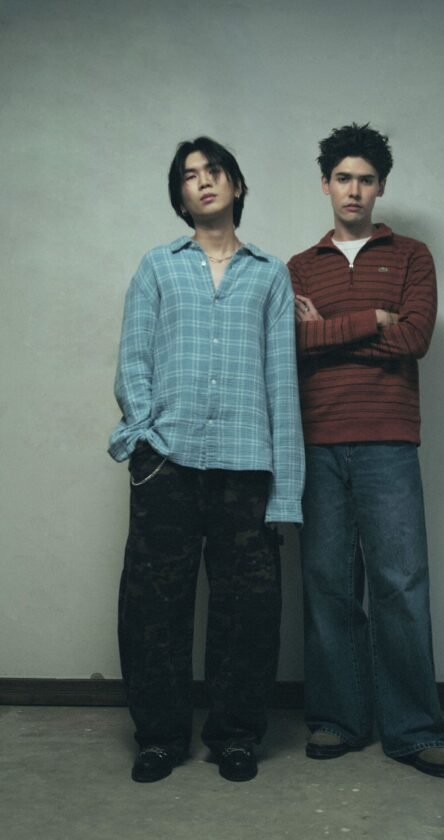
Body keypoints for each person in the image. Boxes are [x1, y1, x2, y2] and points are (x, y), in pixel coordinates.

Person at [109, 136, 304, 783]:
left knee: (248, 611)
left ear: (237, 185)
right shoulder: (157, 267)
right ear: (180, 196)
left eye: (214, 170)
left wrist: (286, 490)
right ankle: (160, 738)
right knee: (153, 607)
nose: (203, 181)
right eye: (189, 176)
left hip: (246, 467)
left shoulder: (270, 274)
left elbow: (282, 384)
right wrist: (145, 440)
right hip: (168, 463)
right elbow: (133, 360)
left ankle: (236, 737)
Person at [287, 122, 444, 779]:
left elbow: (415, 339)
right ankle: (338, 720)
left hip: (388, 439)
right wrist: (370, 322)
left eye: (366, 179)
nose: (354, 190)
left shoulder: (412, 256)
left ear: (381, 186)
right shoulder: (299, 266)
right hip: (319, 441)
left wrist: (327, 331)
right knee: (328, 585)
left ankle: (415, 730)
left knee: (401, 585)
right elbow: (291, 344)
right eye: (343, 178)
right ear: (325, 185)